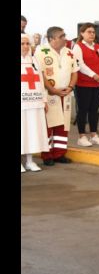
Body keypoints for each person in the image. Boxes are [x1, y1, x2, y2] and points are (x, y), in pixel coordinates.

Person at [36, 26, 78, 166]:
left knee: (63, 125)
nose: (65, 38)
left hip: (65, 94)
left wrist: (71, 87)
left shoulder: (69, 52)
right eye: (61, 36)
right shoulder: (41, 51)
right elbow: (40, 74)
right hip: (49, 94)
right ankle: (47, 155)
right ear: (51, 39)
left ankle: (59, 153)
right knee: (49, 125)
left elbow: (75, 72)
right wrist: (52, 89)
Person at [71, 23, 99, 147]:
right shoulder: (78, 47)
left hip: (98, 84)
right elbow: (80, 65)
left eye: (93, 32)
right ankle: (81, 136)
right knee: (83, 110)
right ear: (82, 33)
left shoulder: (98, 46)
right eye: (89, 32)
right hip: (84, 84)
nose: (92, 34)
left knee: (94, 110)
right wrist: (94, 75)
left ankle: (93, 135)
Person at [21, 33, 49, 172]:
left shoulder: (35, 61)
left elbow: (41, 82)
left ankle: (30, 161)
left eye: (27, 43)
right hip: (22, 104)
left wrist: (44, 100)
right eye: (22, 44)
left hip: (35, 102)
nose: (25, 46)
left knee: (32, 131)